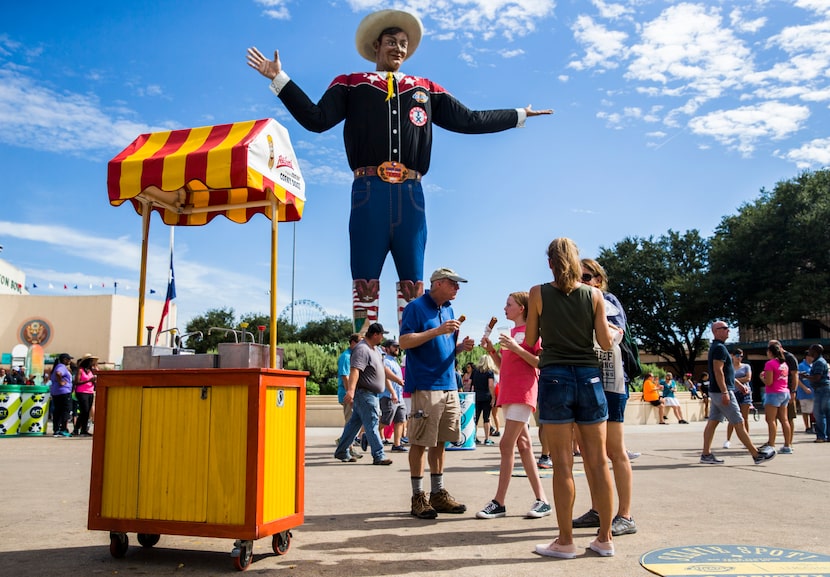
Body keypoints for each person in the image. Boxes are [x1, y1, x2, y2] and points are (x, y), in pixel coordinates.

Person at [246, 9, 552, 332]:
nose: (399, 49)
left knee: (413, 285)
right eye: (391, 42)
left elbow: (469, 119)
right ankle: (364, 363)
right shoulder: (352, 84)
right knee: (364, 281)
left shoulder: (425, 89)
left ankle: (413, 362)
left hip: (411, 194)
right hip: (368, 191)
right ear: (376, 45)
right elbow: (316, 119)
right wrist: (279, 79)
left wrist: (518, 115)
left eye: (404, 44)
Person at [525, 238, 617, 559]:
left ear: (550, 262)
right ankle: (604, 538)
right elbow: (605, 342)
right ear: (578, 263)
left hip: (554, 376)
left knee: (563, 464)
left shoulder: (538, 293)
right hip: (589, 377)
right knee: (599, 461)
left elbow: (531, 339)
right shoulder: (594, 295)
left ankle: (565, 541)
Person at [399, 267, 474, 519]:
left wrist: (460, 347)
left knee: (441, 441)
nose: (457, 288)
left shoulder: (449, 309)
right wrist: (437, 331)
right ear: (439, 283)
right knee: (420, 441)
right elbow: (405, 341)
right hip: (425, 384)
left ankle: (437, 493)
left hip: (448, 384)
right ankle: (417, 496)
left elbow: (445, 346)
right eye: (454, 283)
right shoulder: (415, 307)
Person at [571, 258, 637, 536]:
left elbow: (612, 336)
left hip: (611, 382)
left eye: (586, 277)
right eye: (576, 277)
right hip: (585, 380)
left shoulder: (607, 300)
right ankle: (599, 509)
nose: (581, 282)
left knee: (614, 450)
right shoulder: (572, 302)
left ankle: (625, 515)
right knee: (588, 452)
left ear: (598, 280)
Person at [476, 291, 550, 520]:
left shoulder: (532, 333)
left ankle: (499, 501)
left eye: (509, 304)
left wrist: (516, 348)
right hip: (508, 393)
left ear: (521, 308)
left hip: (523, 392)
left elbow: (540, 362)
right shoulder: (508, 333)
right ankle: (542, 500)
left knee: (506, 445)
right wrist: (491, 350)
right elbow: (502, 366)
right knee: (524, 445)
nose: (505, 308)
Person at [699, 321, 775, 465]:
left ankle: (706, 454)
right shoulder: (719, 348)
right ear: (716, 331)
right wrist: (725, 391)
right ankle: (756, 454)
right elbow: (718, 371)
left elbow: (727, 373)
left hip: (718, 392)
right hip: (722, 392)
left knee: (712, 422)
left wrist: (738, 385)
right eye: (725, 328)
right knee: (739, 422)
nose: (729, 331)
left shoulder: (718, 347)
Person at [333, 323, 394, 465]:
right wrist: (351, 391)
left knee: (353, 425)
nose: (383, 337)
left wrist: (397, 379)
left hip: (370, 394)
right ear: (375, 335)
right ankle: (379, 455)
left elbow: (383, 369)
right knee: (372, 423)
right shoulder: (362, 349)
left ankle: (342, 451)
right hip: (365, 394)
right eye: (382, 334)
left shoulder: (376, 350)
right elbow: (355, 370)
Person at [761, 342, 793, 454]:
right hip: (784, 392)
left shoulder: (770, 364)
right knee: (784, 419)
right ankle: (787, 445)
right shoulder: (784, 364)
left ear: (770, 352)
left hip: (773, 393)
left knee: (770, 420)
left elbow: (769, 382)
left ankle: (771, 444)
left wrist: (762, 377)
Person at [380, 339, 408, 452]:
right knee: (386, 421)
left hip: (399, 396)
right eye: (394, 346)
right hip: (388, 396)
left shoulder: (395, 361)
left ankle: (397, 444)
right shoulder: (385, 361)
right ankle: (369, 434)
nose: (397, 348)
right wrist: (392, 392)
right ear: (387, 348)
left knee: (400, 420)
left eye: (397, 346)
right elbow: (386, 378)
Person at [724, 349, 752, 448]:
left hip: (745, 393)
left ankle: (747, 440)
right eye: (737, 355)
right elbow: (727, 379)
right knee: (732, 418)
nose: (739, 357)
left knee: (745, 418)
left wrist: (734, 380)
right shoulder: (729, 367)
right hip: (733, 393)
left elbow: (748, 378)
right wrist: (737, 380)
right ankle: (728, 439)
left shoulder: (746, 366)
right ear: (732, 356)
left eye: (741, 356)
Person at [803, 344, 829, 443]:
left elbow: (817, 377)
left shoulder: (818, 362)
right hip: (825, 389)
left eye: (810, 350)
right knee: (827, 413)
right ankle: (827, 435)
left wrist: (806, 376)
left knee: (819, 413)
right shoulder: (821, 361)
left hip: (821, 389)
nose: (809, 352)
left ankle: (821, 436)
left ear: (815, 351)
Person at [471, 354, 497, 446]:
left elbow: (471, 384)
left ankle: (474, 437)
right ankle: (487, 439)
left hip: (476, 397)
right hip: (486, 396)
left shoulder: (475, 371)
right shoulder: (489, 372)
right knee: (486, 418)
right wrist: (493, 397)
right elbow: (490, 385)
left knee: (475, 418)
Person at [49, 353, 74, 437]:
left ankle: (56, 429)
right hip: (64, 392)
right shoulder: (61, 367)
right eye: (69, 359)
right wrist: (61, 382)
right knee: (65, 411)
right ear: (64, 360)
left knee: (57, 411)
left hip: (56, 392)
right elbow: (58, 373)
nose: (70, 361)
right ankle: (63, 429)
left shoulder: (58, 366)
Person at [73, 353, 98, 437]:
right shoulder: (80, 370)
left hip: (90, 392)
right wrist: (88, 381)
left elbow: (93, 380)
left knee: (87, 412)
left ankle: (83, 430)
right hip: (81, 392)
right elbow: (76, 382)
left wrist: (94, 381)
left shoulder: (91, 371)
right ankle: (77, 429)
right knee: (84, 410)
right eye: (91, 361)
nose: (92, 363)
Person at [796, 355, 815, 433]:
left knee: (814, 410)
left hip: (814, 392)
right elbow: (797, 379)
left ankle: (813, 426)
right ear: (807, 356)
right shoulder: (800, 366)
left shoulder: (814, 365)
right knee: (805, 411)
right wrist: (804, 388)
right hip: (804, 393)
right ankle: (807, 427)